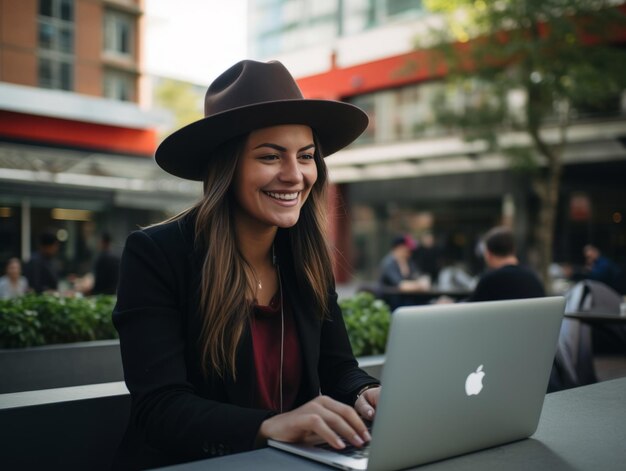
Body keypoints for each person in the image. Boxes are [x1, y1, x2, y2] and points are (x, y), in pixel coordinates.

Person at [112, 60, 381, 469]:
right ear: (227, 165)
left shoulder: (305, 257)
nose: (294, 175)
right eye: (271, 156)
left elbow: (338, 367)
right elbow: (160, 409)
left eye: (306, 156)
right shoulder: (156, 254)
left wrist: (365, 393)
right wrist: (271, 426)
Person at [468, 226, 545, 302]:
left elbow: (470, 308)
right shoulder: (533, 279)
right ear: (513, 250)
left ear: (488, 255)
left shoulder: (489, 281)